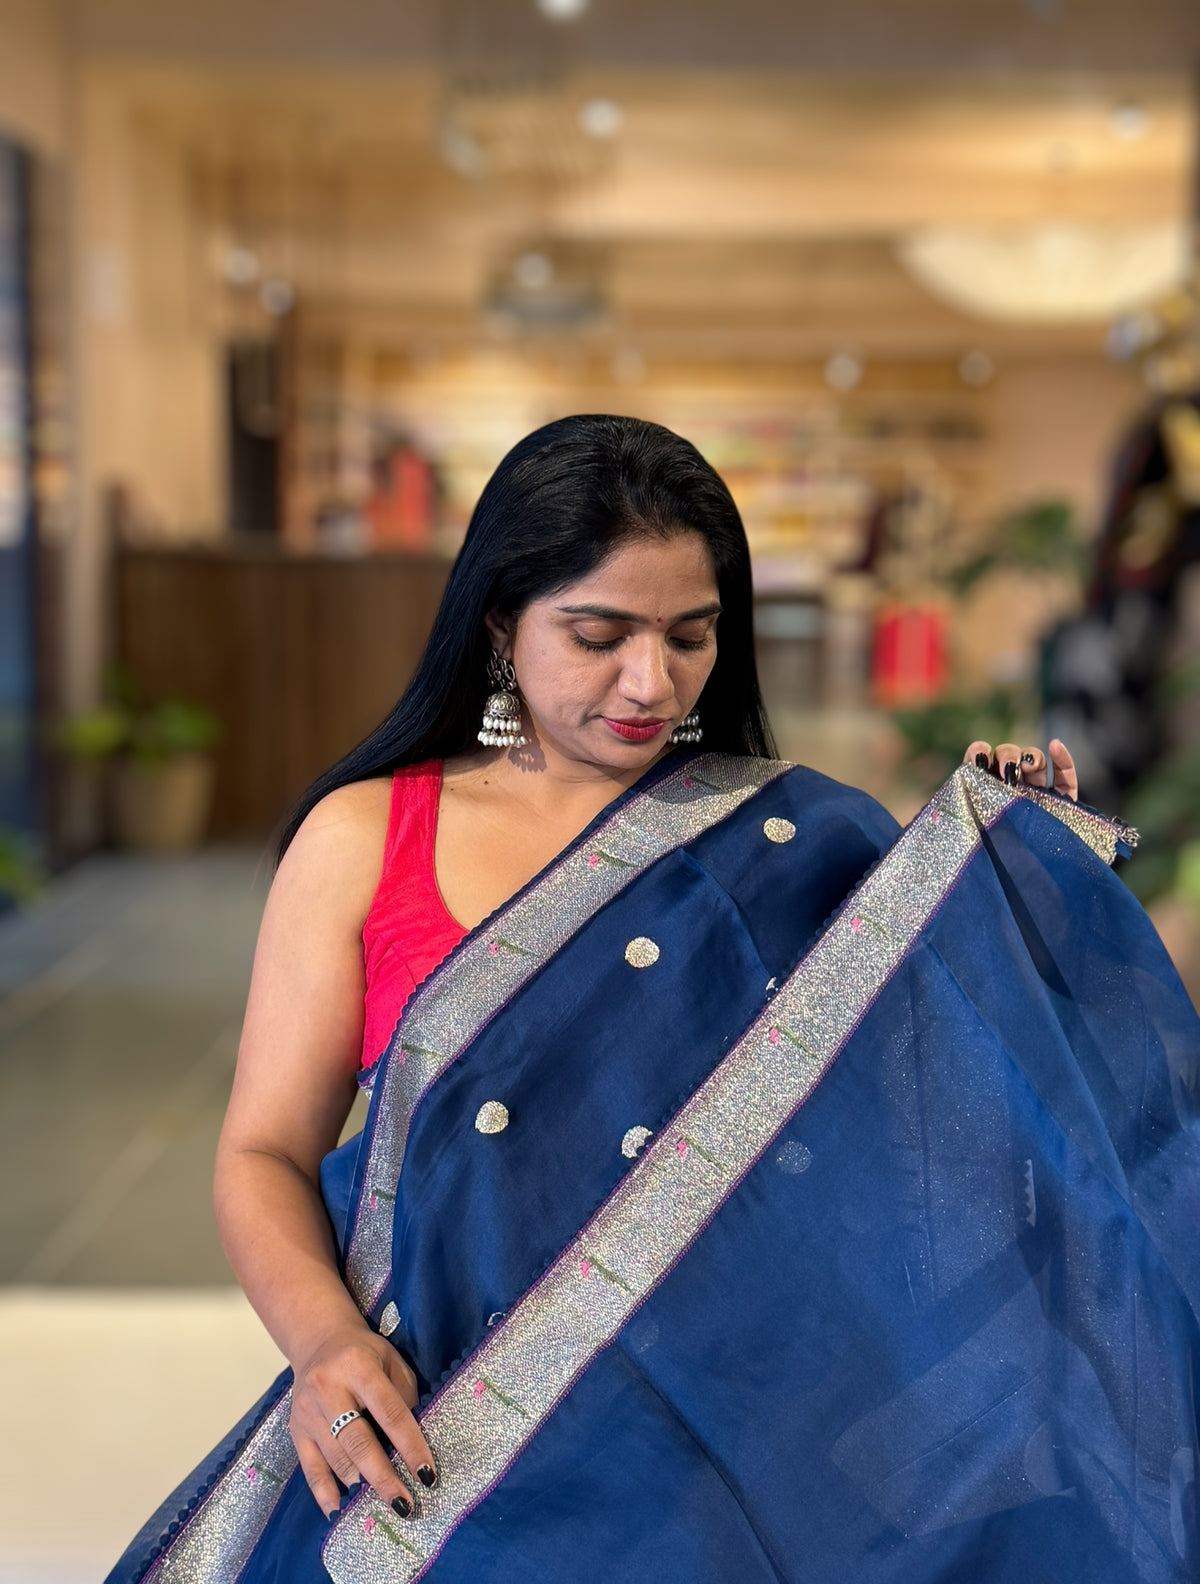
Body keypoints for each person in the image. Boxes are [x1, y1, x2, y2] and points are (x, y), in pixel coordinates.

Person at [107, 417, 1198, 1584]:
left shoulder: (787, 834)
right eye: (599, 635)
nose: (652, 682)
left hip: (725, 1441)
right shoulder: (370, 837)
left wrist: (1000, 884)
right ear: (499, 622)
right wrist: (323, 1342)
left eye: (691, 634)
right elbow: (264, 1152)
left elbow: (945, 1127)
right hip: (446, 1438)